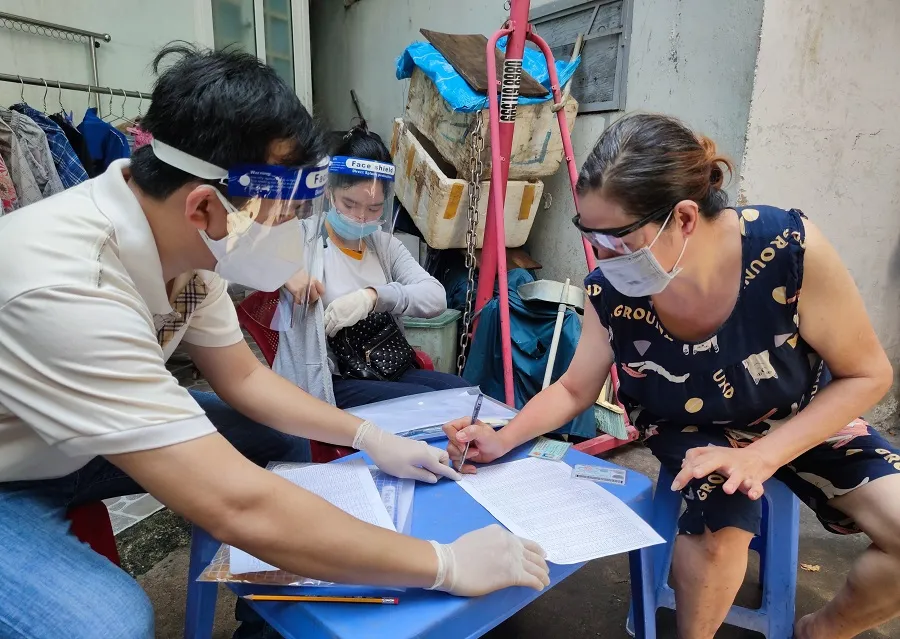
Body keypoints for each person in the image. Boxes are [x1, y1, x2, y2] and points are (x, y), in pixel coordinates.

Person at [0, 44, 549, 639]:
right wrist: (444, 565)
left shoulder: (187, 247)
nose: (290, 235)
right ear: (204, 207)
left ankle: (264, 619)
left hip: (72, 439)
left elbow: (244, 378)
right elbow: (235, 504)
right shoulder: (70, 288)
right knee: (112, 625)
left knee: (278, 436)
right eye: (282, 218)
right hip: (13, 473)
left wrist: (370, 437)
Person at [443, 113, 900, 639]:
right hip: (692, 425)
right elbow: (573, 388)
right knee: (718, 533)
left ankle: (821, 631)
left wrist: (763, 455)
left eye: (616, 239)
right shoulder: (610, 290)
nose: (602, 256)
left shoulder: (786, 251)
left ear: (683, 217)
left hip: (801, 415)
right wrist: (502, 439)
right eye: (590, 235)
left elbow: (867, 375)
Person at [274, 125, 469, 409]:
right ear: (329, 191)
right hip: (329, 380)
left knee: (462, 393)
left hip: (381, 366)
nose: (361, 217)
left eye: (374, 208)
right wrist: (286, 271)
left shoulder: (384, 246)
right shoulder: (303, 238)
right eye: (350, 204)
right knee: (427, 405)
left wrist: (373, 297)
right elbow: (247, 247)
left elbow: (435, 297)